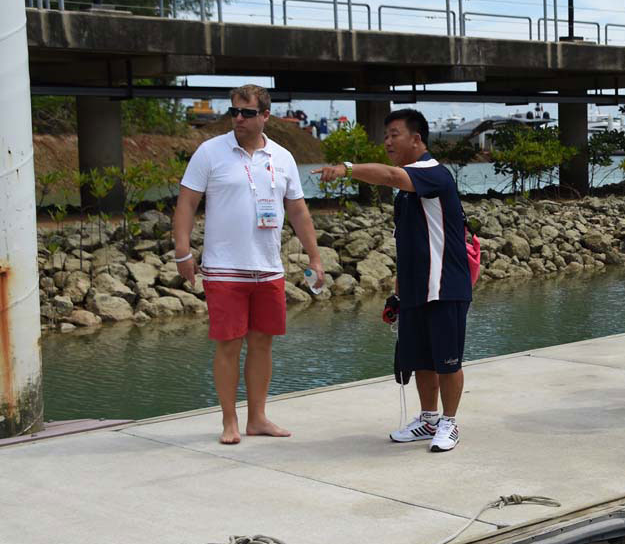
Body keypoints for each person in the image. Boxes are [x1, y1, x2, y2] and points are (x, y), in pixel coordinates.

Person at [173, 84, 325, 445]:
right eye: (234, 112)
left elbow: (299, 211)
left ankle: (257, 418)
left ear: (265, 116)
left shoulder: (283, 157)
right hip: (224, 269)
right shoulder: (210, 152)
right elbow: (186, 204)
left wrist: (315, 257)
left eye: (247, 113)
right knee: (229, 344)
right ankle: (230, 421)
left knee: (263, 343)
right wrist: (183, 252)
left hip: (269, 268)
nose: (238, 119)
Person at [316, 109, 472, 452]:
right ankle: (428, 419)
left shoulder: (433, 174)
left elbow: (388, 175)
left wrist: (347, 169)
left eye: (394, 134)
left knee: (448, 360)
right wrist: (398, 294)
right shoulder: (406, 194)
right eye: (385, 135)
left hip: (445, 285)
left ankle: (450, 422)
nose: (387, 141)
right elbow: (408, 245)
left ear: (416, 139)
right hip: (417, 288)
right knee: (420, 359)